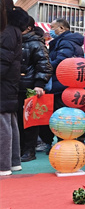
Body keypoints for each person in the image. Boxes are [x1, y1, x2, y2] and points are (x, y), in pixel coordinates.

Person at [39, 18, 84, 151]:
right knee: (69, 115)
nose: (50, 31)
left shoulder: (65, 42)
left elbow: (61, 61)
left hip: (61, 84)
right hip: (69, 84)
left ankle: (62, 144)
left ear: (62, 28)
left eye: (53, 28)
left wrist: (45, 67)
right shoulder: (71, 41)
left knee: (61, 116)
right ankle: (70, 142)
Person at [17, 16, 52, 162]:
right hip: (16, 86)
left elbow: (44, 64)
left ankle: (29, 150)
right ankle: (19, 149)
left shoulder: (36, 43)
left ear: (29, 28)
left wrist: (39, 84)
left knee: (30, 121)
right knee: (18, 120)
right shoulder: (16, 41)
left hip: (30, 87)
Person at [0, 0, 23, 176]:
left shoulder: (6, 31)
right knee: (9, 122)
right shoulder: (12, 29)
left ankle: (3, 165)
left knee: (3, 124)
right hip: (9, 83)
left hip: (4, 83)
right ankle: (13, 162)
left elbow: (2, 61)